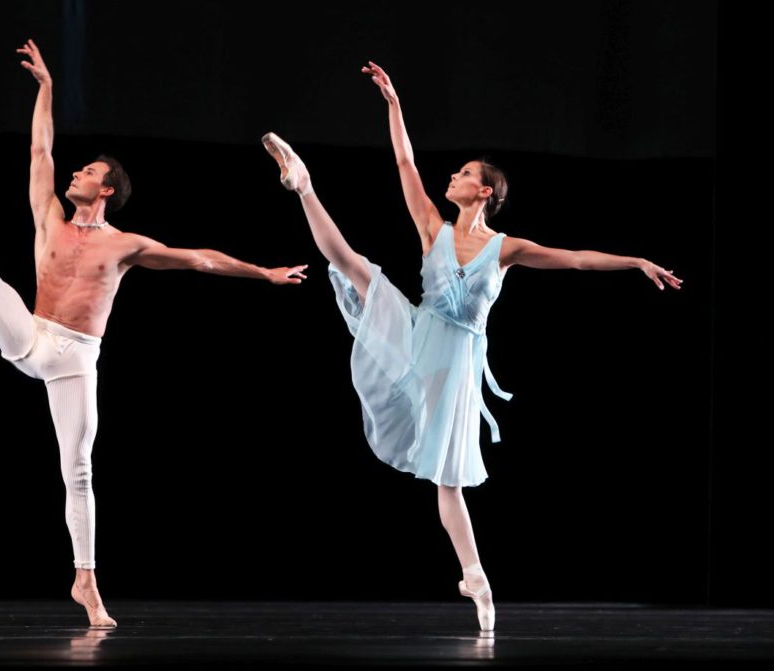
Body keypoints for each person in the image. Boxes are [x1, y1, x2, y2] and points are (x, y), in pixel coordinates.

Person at [0, 38, 308, 629]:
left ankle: (87, 581)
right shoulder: (49, 214)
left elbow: (199, 259)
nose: (75, 172)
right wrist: (47, 88)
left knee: (77, 468)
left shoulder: (125, 244)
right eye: (77, 168)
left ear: (106, 189)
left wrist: (263, 272)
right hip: (29, 332)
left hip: (77, 357)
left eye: (88, 171)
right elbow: (40, 147)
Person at [260, 60, 682, 631]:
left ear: (483, 191)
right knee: (354, 265)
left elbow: (577, 257)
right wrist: (393, 104)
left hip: (456, 359)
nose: (450, 177)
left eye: (461, 173)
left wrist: (634, 260)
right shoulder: (432, 226)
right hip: (421, 334)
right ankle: (304, 185)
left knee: (447, 478)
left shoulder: (506, 247)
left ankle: (476, 577)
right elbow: (404, 162)